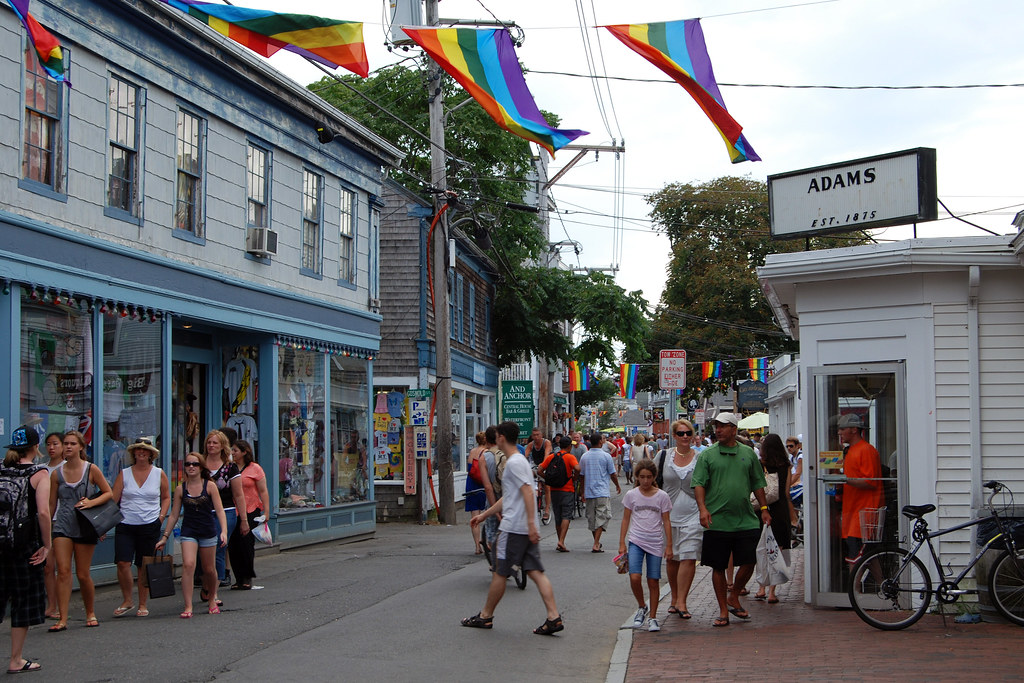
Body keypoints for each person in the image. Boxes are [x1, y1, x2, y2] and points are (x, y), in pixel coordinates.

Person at [461, 422, 563, 636]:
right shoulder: (519, 461)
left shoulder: (514, 463)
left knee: (500, 572)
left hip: (513, 528)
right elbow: (511, 496)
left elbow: (527, 492)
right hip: (523, 527)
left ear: (501, 438)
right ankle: (553, 617)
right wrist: (484, 515)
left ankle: (486, 615)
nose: (495, 438)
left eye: (497, 435)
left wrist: (530, 524)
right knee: (535, 572)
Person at [692, 413, 770, 628]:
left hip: (745, 518)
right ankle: (723, 610)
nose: (718, 430)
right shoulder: (707, 455)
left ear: (734, 430)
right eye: (716, 426)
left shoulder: (748, 454)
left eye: (723, 426)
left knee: (750, 560)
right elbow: (698, 483)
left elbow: (758, 482)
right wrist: (702, 509)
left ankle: (734, 594)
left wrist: (764, 508)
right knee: (717, 566)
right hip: (717, 520)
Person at [48, 431, 113, 632]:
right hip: (62, 524)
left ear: (81, 447)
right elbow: (51, 504)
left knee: (83, 574)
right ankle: (63, 618)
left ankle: (90, 612)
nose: (68, 447)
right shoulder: (56, 474)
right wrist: (47, 529)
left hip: (84, 525)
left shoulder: (91, 469)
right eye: (65, 443)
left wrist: (91, 502)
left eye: (72, 444)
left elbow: (108, 492)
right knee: (63, 571)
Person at [1, 426, 50, 673]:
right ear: (35, 447)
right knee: (23, 602)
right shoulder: (39, 473)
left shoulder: (1, 467)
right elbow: (43, 512)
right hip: (23, 547)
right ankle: (15, 660)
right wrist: (46, 545)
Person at [156, 452, 228, 618]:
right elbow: (174, 515)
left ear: (201, 467)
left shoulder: (209, 486)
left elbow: (219, 511)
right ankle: (188, 606)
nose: (191, 467)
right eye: (188, 464)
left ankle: (211, 599)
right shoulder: (181, 489)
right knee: (188, 565)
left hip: (207, 531)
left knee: (209, 569)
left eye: (195, 464)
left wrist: (223, 531)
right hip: (189, 531)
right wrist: (165, 536)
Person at [111, 439, 170, 618]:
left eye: (145, 450)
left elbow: (167, 497)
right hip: (125, 524)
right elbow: (114, 499)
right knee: (123, 562)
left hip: (150, 524)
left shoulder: (159, 473)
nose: (141, 453)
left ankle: (143, 604)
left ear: (151, 454)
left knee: (143, 565)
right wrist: (104, 524)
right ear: (134, 453)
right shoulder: (124, 473)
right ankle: (127, 599)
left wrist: (161, 518)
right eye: (138, 450)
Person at [618, 458, 672, 632]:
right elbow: (625, 519)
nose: (646, 481)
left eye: (649, 477)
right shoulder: (631, 495)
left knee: (653, 580)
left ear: (654, 476)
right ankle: (642, 606)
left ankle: (654, 617)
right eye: (642, 477)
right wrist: (622, 543)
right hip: (636, 540)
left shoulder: (662, 496)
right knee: (634, 576)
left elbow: (666, 521)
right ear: (637, 477)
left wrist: (669, 545)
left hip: (655, 542)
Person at [658, 419, 702, 619]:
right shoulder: (663, 456)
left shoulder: (701, 458)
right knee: (672, 557)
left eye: (688, 433)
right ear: (674, 436)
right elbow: (651, 480)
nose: (685, 437)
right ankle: (674, 597)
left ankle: (683, 600)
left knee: (689, 555)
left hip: (693, 513)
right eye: (681, 433)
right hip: (668, 515)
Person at [752, 433, 794, 603]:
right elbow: (786, 493)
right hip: (780, 511)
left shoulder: (760, 465)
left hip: (762, 509)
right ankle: (772, 592)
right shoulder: (786, 465)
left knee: (761, 549)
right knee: (777, 550)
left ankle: (761, 587)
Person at [203, 430, 247, 590]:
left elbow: (238, 495)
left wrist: (243, 520)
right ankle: (206, 580)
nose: (211, 445)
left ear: (222, 446)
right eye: (209, 442)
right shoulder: (199, 465)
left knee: (218, 547)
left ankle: (215, 584)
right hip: (203, 513)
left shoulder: (230, 467)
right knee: (204, 550)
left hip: (226, 511)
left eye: (215, 443)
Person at [838, 414, 883, 567]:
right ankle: (883, 586)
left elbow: (870, 481)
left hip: (864, 512)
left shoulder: (866, 450)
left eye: (842, 429)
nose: (839, 433)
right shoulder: (850, 451)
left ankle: (854, 590)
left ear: (854, 430)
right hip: (853, 511)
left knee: (855, 557)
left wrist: (843, 479)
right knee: (869, 555)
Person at [228, 440, 270, 591]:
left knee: (245, 543)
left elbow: (263, 490)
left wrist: (266, 511)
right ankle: (238, 578)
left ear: (244, 452)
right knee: (233, 545)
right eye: (231, 450)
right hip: (233, 510)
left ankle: (247, 577)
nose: (232, 453)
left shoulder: (255, 468)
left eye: (235, 450)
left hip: (251, 509)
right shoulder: (229, 468)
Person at [579, 431, 621, 553]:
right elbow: (612, 473)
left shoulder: (585, 456)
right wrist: (617, 485)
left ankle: (596, 542)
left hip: (589, 491)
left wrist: (582, 491)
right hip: (602, 491)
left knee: (592, 518)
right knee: (602, 517)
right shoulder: (606, 456)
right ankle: (596, 543)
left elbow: (581, 476)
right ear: (600, 442)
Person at [537, 436, 580, 552]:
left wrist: (548, 479)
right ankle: (561, 541)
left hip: (554, 490)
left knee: (558, 516)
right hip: (567, 489)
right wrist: (574, 478)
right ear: (569, 446)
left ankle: (559, 540)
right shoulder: (570, 457)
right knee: (566, 515)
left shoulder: (552, 457)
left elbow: (539, 470)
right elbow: (578, 468)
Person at [40, 433, 63, 621]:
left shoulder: (66, 468)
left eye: (55, 444)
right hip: (45, 520)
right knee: (48, 566)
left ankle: (59, 606)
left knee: (61, 566)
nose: (51, 448)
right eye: (48, 444)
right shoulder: (41, 469)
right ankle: (51, 605)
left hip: (62, 521)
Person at [465, 432, 488, 554]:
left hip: (472, 484)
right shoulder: (487, 452)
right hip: (485, 483)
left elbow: (470, 468)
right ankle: (488, 543)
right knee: (489, 514)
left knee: (475, 517)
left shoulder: (473, 451)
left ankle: (477, 546)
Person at [527, 429, 551, 522]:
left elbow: (547, 454)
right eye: (534, 435)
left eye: (538, 435)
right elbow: (526, 455)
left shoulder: (546, 443)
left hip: (546, 464)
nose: (536, 437)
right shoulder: (531, 445)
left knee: (547, 486)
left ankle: (547, 509)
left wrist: (543, 465)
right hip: (535, 465)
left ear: (541, 435)